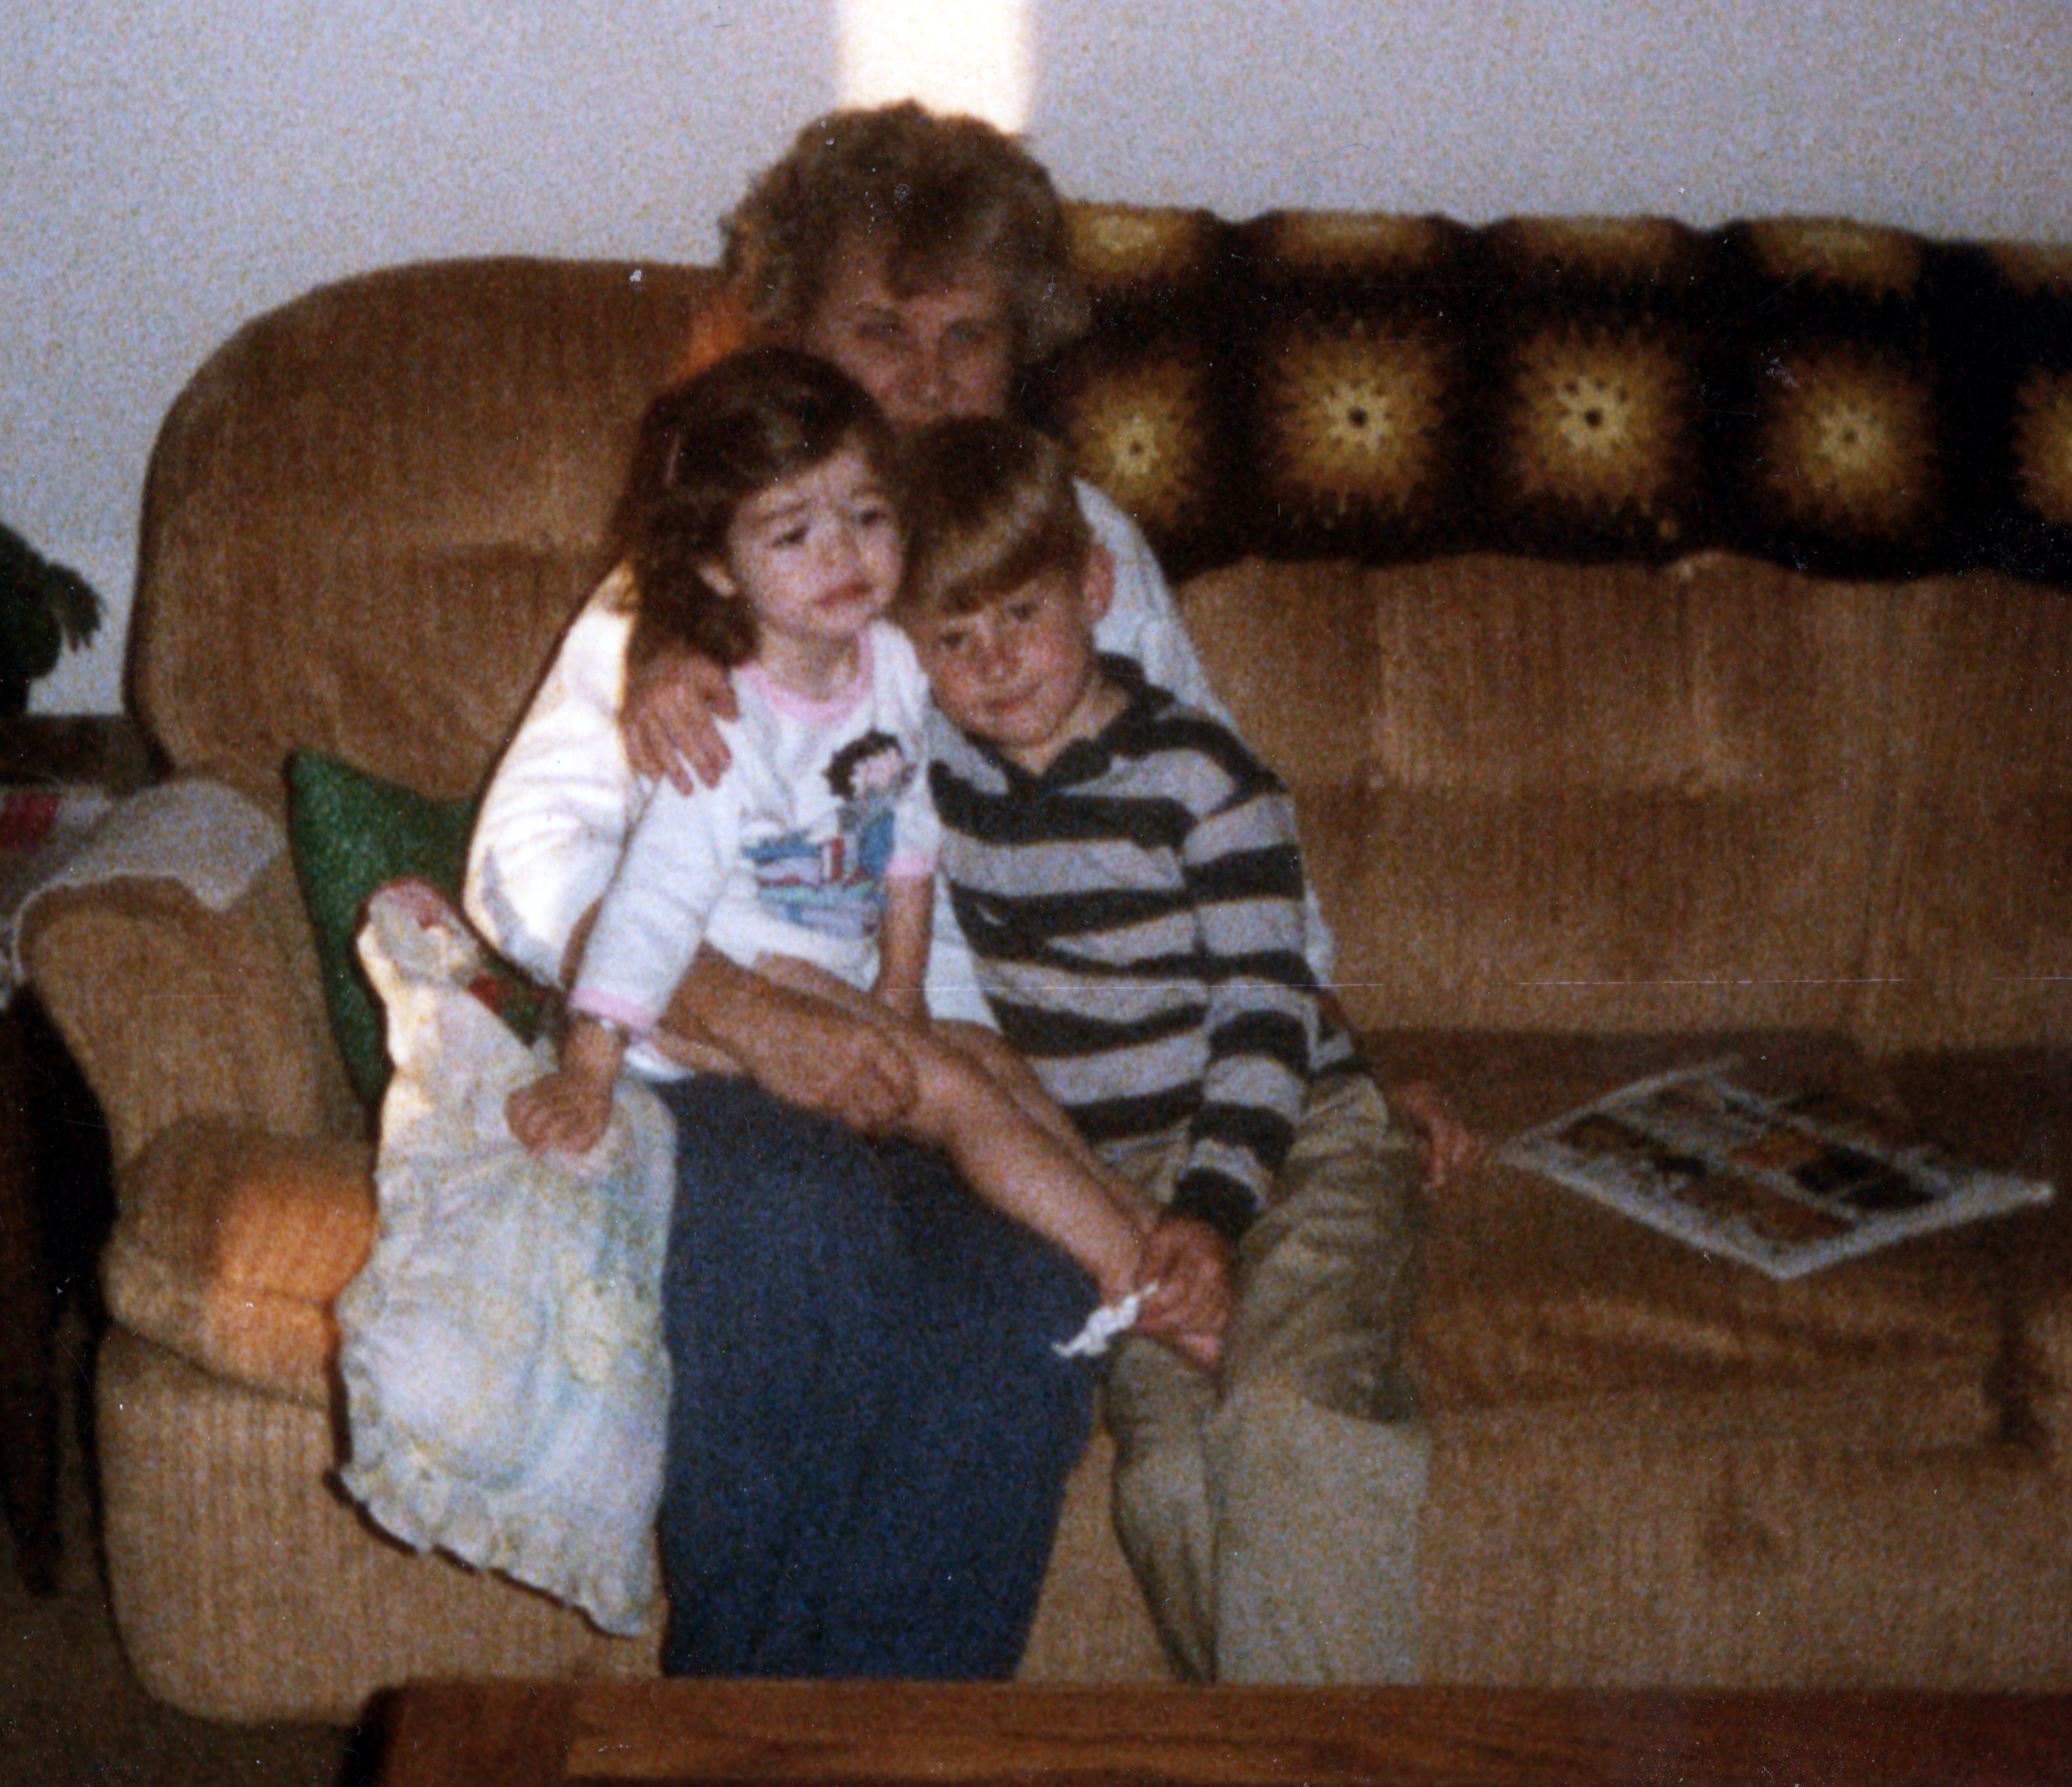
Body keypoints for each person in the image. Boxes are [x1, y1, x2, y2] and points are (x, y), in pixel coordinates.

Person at [467, 100, 1475, 1680]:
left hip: (1003, 1082)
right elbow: (522, 859)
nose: (928, 377)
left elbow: (1209, 821)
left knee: (1023, 1309)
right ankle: (742, 1724)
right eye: (880, 331)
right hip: (741, 1051)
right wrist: (738, 1014)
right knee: (796, 1226)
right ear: (796, 343)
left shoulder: (1071, 546)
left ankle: (901, 1742)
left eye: (969, 335)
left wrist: (1325, 1049)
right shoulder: (724, 564)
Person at [896, 414, 1430, 1684]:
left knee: (1290, 1417)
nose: (995, 664)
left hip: (1296, 1139)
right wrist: (680, 674)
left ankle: (1341, 1761)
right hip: (1129, 1180)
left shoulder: (1205, 778)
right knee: (1170, 1477)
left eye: (1021, 614)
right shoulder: (931, 778)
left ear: (1095, 585)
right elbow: (784, 708)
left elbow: (1267, 1010)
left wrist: (1210, 1209)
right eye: (953, 639)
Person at [507, 345, 1178, 1356]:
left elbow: (906, 824)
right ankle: (1146, 1293)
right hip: (731, 980)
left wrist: (902, 992)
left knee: (989, 1062)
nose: (843, 556)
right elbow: (649, 902)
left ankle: (1146, 1226)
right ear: (719, 566)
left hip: (842, 977)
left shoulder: (895, 661)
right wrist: (588, 1071)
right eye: (795, 534)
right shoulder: (716, 715)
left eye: (868, 518)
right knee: (957, 1097)